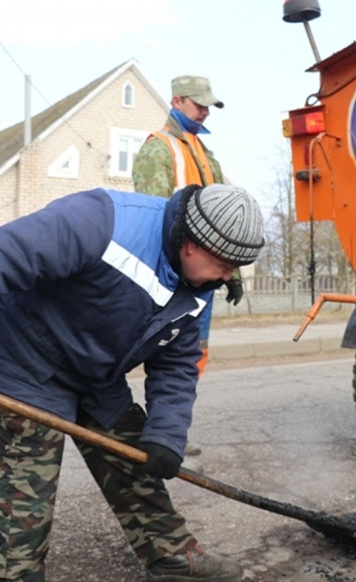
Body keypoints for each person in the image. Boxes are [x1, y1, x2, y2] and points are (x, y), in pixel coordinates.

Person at [0, 184, 265, 582]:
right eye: (225, 264)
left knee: (133, 454)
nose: (228, 277)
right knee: (29, 477)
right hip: (21, 357)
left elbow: (176, 365)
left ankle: (171, 556)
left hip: (92, 368)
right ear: (191, 243)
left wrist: (166, 436)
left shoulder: (200, 285)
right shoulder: (102, 221)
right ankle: (14, 575)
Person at [132, 75, 242, 378]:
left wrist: (233, 273)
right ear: (176, 101)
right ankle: (165, 418)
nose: (205, 112)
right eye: (199, 104)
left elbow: (225, 221)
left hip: (203, 276)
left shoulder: (207, 157)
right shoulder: (159, 148)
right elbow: (151, 218)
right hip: (175, 276)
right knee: (171, 357)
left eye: (209, 106)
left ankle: (180, 408)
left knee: (192, 355)